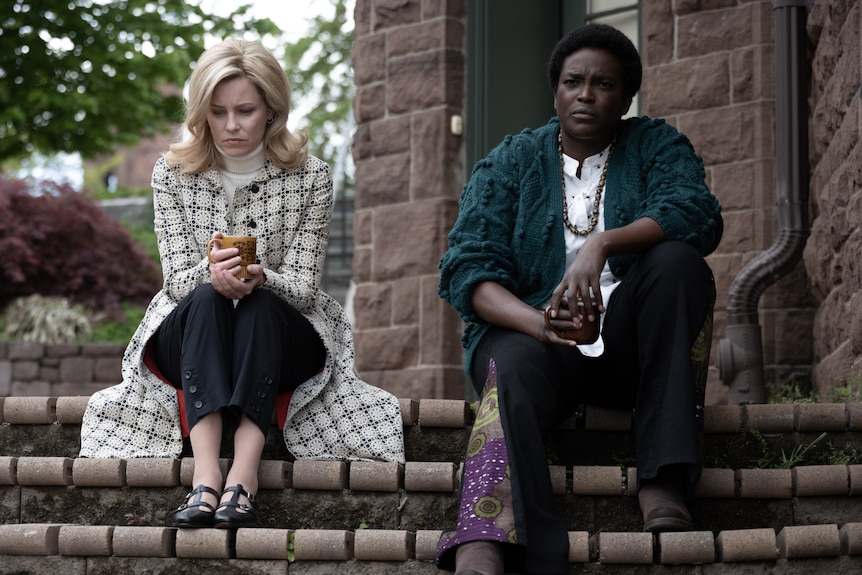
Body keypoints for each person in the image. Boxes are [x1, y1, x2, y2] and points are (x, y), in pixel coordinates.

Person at [79, 39, 405, 528]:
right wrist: (213, 275)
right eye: (218, 112)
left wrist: (260, 277)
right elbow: (173, 284)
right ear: (202, 114)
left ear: (271, 110)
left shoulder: (311, 176)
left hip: (281, 334)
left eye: (246, 111)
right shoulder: (172, 172)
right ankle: (207, 475)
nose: (231, 125)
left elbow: (305, 290)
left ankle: (244, 476)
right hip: (192, 328)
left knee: (257, 304)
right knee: (211, 295)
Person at [435, 23, 723, 575]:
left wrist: (603, 243)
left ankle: (662, 480)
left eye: (604, 84)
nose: (586, 94)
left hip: (630, 352)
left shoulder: (656, 145)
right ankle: (491, 534)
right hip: (535, 346)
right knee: (511, 363)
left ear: (626, 97)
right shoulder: (511, 161)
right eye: (573, 82)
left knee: (679, 261)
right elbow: (467, 268)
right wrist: (540, 323)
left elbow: (695, 212)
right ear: (556, 91)